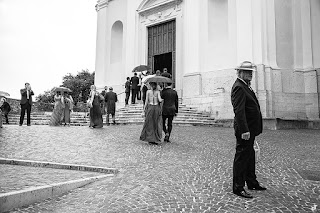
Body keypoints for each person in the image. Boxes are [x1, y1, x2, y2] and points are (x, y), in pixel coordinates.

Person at [231, 61, 266, 199]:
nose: (250, 74)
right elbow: (239, 111)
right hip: (244, 130)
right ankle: (238, 187)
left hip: (251, 128)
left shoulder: (246, 86)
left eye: (251, 72)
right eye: (247, 72)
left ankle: (251, 181)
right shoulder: (239, 87)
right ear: (240, 72)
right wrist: (244, 130)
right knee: (241, 157)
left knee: (250, 155)